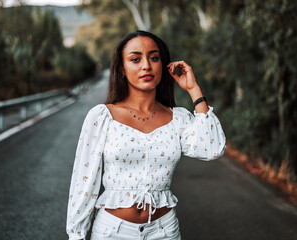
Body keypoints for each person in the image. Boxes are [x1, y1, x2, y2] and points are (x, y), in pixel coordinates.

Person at [66, 30, 226, 240]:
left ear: (163, 65)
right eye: (135, 59)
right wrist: (76, 235)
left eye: (154, 58)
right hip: (112, 232)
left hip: (165, 231)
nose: (146, 66)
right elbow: (84, 183)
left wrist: (194, 89)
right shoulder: (102, 117)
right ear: (122, 69)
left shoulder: (177, 119)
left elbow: (212, 148)